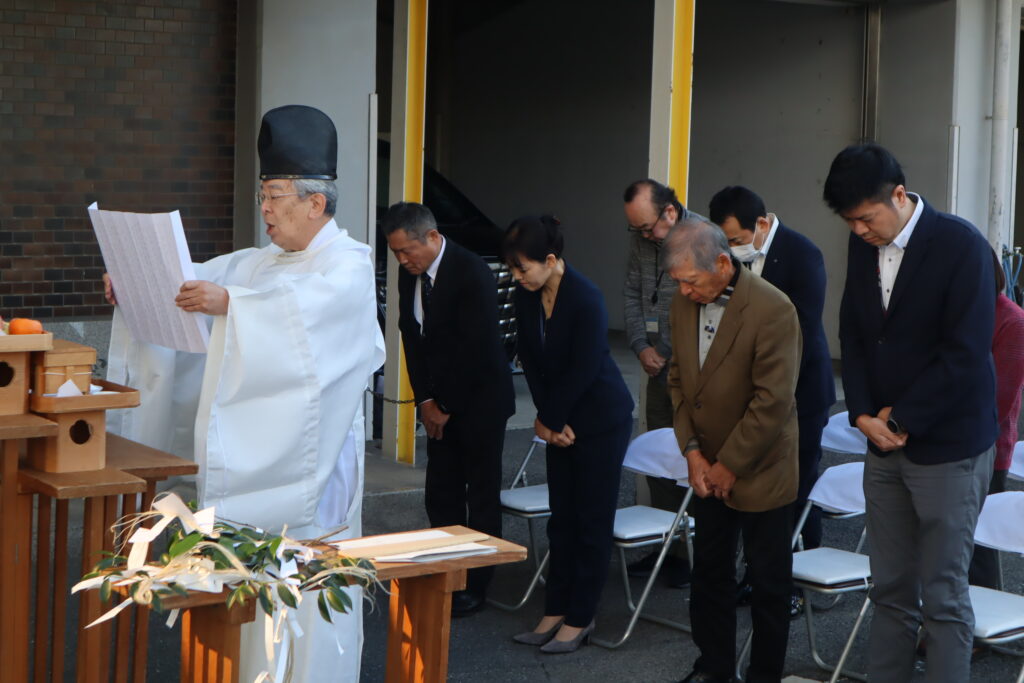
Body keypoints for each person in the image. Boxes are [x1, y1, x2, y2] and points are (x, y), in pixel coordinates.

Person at [105, 104, 385, 683]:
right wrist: (135, 284)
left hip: (318, 473)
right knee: (253, 585)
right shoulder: (261, 263)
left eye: (275, 195)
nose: (264, 208)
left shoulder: (348, 266)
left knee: (307, 590)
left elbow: (307, 317)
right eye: (263, 194)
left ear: (315, 202)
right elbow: (192, 277)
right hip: (262, 475)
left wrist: (230, 305)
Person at [824, 143, 997, 683]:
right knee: (890, 589)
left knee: (944, 596)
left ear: (899, 195)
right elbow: (852, 333)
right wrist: (860, 416)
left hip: (948, 446)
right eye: (850, 222)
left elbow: (966, 351)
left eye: (866, 218)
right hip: (880, 442)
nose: (858, 231)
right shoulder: (862, 246)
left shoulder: (960, 245)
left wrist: (901, 419)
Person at [664, 217, 800, 683]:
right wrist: (694, 453)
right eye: (678, 282)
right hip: (706, 466)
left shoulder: (772, 308)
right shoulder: (683, 304)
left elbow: (772, 401)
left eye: (690, 281)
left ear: (723, 264)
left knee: (767, 585)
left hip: (760, 468)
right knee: (710, 575)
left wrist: (730, 465)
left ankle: (765, 675)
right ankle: (714, 667)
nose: (684, 292)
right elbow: (678, 382)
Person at [504, 215, 634, 654]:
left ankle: (580, 617)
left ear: (552, 259)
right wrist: (547, 419)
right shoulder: (527, 296)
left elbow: (584, 365)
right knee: (562, 520)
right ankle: (554, 609)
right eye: (513, 270)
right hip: (559, 421)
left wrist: (552, 420)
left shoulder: (586, 297)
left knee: (591, 522)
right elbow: (529, 357)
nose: (517, 277)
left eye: (523, 268)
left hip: (601, 419)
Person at [382, 201, 515, 617]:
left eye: (408, 251)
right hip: (438, 402)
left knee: (481, 493)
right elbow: (411, 336)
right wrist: (425, 401)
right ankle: (444, 570)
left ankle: (476, 582)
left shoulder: (470, 270)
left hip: (480, 401)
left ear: (433, 238)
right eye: (396, 253)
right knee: (440, 492)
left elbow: (475, 350)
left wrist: (446, 406)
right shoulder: (412, 275)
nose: (403, 261)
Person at [709, 185, 835, 615]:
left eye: (737, 239)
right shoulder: (729, 261)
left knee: (796, 488)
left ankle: (797, 582)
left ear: (761, 224)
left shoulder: (803, 254)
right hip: (754, 395)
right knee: (756, 491)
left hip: (801, 391)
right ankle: (758, 576)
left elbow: (796, 330)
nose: (732, 249)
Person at [622, 178, 704, 587]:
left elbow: (707, 306)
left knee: (695, 458)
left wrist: (675, 354)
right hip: (656, 369)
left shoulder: (704, 237)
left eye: (648, 228)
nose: (644, 236)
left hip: (694, 376)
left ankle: (700, 552)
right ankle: (670, 549)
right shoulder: (643, 241)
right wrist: (640, 345)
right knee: (659, 457)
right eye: (636, 230)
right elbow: (634, 293)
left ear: (670, 212)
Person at [969, 249, 1024, 589]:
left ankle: (984, 635)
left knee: (980, 544)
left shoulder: (1012, 320)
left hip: (987, 446)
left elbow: (999, 401)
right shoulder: (960, 314)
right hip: (946, 441)